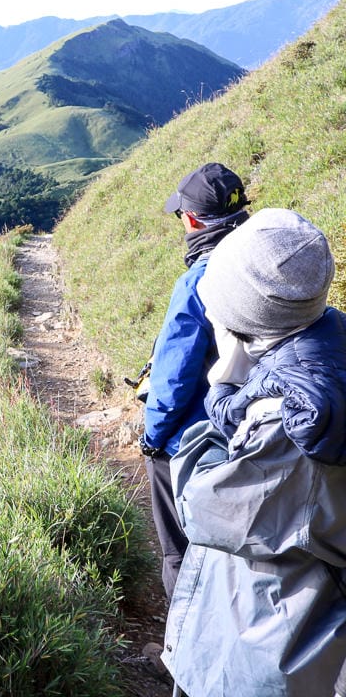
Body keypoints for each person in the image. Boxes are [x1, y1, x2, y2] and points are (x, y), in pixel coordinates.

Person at [162, 208, 346, 696]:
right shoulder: (333, 356)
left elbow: (201, 506)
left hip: (274, 647)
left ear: (242, 317)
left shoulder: (285, 423)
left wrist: (223, 384)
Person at [139, 162, 249, 598]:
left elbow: (174, 376)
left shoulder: (198, 280)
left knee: (178, 553)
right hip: (258, 427)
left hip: (197, 437)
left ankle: (182, 648)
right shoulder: (267, 261)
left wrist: (152, 437)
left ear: (193, 220)